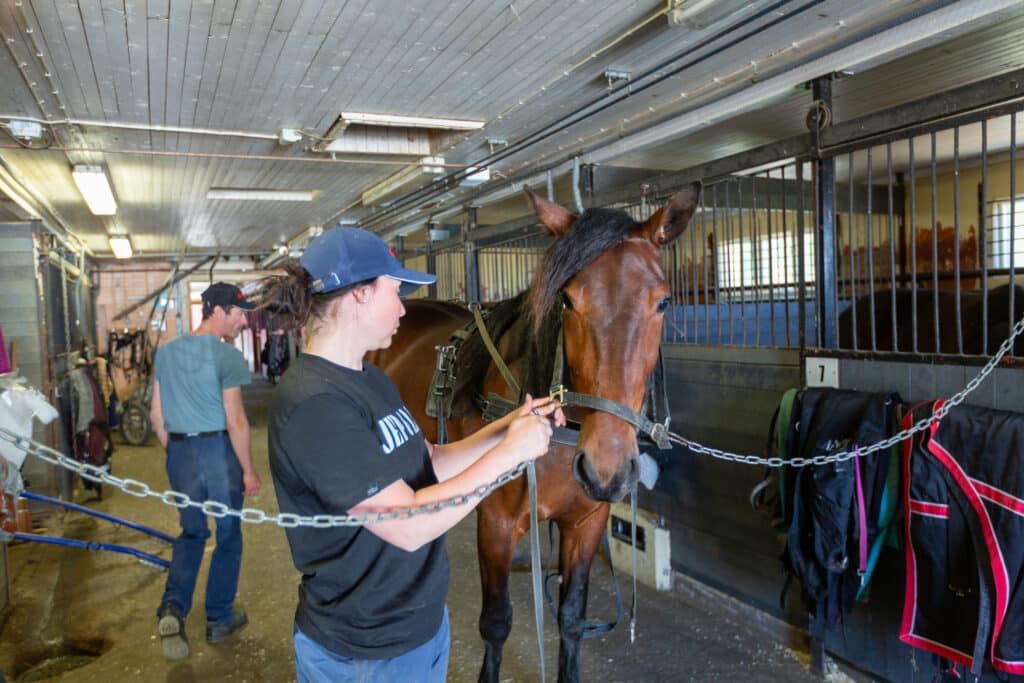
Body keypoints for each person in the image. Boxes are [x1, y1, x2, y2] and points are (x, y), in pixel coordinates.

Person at [259, 227, 564, 683]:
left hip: (417, 628)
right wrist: (509, 458)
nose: (403, 307)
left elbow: (431, 462)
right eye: (395, 292)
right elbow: (407, 525)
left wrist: (506, 429)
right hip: (365, 652)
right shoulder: (315, 405)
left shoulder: (370, 379)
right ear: (360, 294)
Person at [148, 282, 262, 660]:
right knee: (228, 534)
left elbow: (157, 417)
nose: (243, 321)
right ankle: (218, 618)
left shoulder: (165, 352)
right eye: (239, 313)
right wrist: (248, 470)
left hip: (179, 451)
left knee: (192, 532)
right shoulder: (227, 358)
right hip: (218, 451)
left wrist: (181, 452)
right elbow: (236, 420)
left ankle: (172, 608)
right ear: (218, 311)